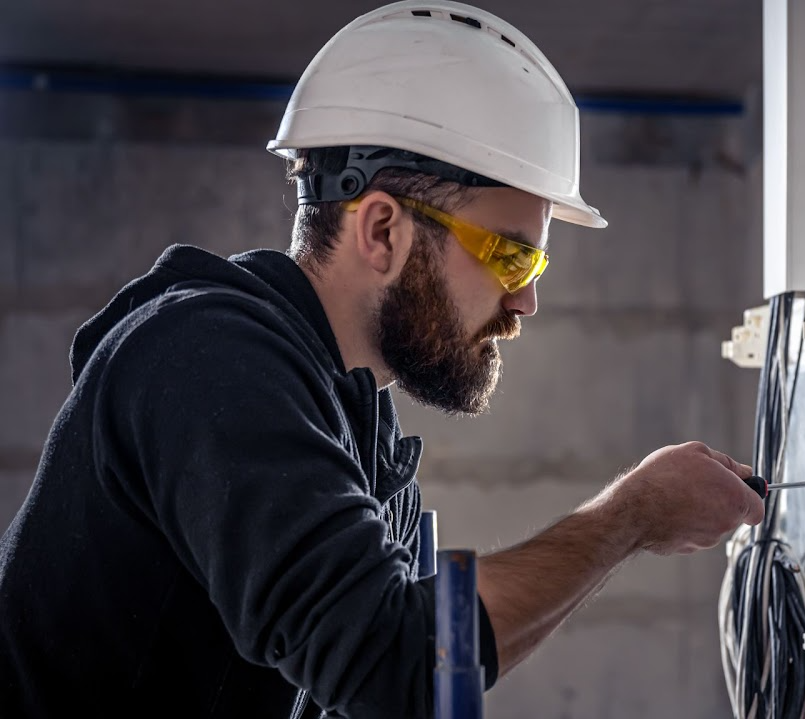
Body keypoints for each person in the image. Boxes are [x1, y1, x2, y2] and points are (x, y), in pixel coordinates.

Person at [0, 2, 765, 717]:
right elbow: (393, 658)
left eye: (536, 269)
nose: (525, 301)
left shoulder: (353, 423)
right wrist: (626, 516)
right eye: (510, 256)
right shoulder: (205, 362)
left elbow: (409, 672)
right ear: (382, 231)